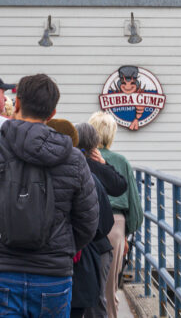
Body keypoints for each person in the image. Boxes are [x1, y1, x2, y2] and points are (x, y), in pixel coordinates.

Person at [0, 73, 99, 318]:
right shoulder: (74, 159)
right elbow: (88, 222)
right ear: (53, 112)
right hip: (53, 276)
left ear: (19, 104)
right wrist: (60, 247)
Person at [88, 111, 143, 318]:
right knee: (109, 289)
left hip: (85, 221)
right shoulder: (120, 161)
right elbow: (135, 208)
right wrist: (127, 233)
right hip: (115, 226)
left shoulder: (79, 158)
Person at [74, 123, 127, 318]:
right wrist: (105, 164)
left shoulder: (64, 167)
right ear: (94, 145)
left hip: (70, 247)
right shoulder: (96, 168)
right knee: (97, 299)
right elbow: (119, 185)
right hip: (96, 245)